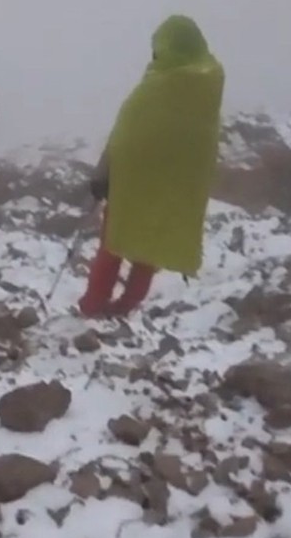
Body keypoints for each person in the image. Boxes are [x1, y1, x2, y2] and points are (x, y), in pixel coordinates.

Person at [78, 16, 225, 318]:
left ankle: (94, 306)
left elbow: (125, 137)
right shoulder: (207, 86)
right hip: (174, 185)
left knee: (114, 240)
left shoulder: (156, 87)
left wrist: (102, 175)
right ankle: (126, 305)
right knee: (150, 244)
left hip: (133, 183)